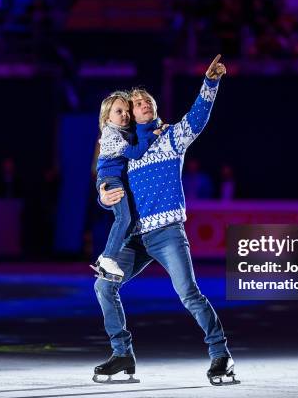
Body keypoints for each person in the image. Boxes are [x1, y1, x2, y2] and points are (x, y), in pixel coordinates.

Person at [93, 55, 239, 386]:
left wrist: (210, 83)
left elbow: (198, 118)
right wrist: (103, 195)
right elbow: (109, 180)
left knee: (188, 293)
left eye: (147, 100)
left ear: (155, 108)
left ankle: (221, 355)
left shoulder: (172, 136)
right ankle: (122, 355)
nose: (142, 103)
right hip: (134, 237)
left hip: (168, 233)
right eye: (136, 103)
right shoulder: (126, 145)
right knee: (103, 286)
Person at [92, 91, 162, 282]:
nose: (125, 115)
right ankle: (108, 258)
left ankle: (106, 256)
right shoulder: (110, 134)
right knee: (123, 218)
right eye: (118, 111)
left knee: (128, 220)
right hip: (111, 179)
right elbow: (136, 152)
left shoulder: (124, 131)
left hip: (116, 179)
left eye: (126, 111)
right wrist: (153, 136)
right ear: (107, 118)